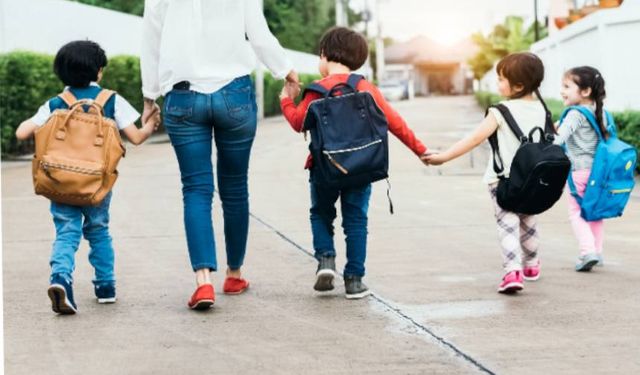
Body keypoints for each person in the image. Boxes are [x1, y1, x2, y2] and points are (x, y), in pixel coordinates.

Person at [141, 0, 299, 310]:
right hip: (234, 94)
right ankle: (234, 274)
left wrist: (150, 95)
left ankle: (203, 283)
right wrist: (286, 71)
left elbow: (151, 39)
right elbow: (258, 32)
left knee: (196, 190)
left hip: (183, 96)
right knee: (235, 188)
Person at [279, 27, 429, 299]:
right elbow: (395, 123)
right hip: (361, 167)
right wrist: (421, 150)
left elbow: (299, 122)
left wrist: (285, 100)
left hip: (324, 168)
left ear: (324, 55)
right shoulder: (365, 87)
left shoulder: (316, 90)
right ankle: (354, 280)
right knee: (356, 220)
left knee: (321, 214)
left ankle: (326, 260)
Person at [15, 40, 160, 314]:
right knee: (99, 231)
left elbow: (23, 132)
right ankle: (105, 287)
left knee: (65, 233)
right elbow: (137, 137)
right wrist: (150, 122)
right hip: (97, 184)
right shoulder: (111, 100)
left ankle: (60, 278)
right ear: (99, 72)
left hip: (60, 182)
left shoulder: (57, 103)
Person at [424, 53, 548, 294]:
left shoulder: (499, 111)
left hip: (503, 181)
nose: (497, 83)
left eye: (502, 79)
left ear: (519, 85)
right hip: (532, 179)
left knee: (507, 224)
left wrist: (443, 156)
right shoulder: (543, 110)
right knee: (529, 222)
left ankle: (513, 271)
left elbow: (474, 139)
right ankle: (531, 266)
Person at [554, 66, 608, 272]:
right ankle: (597, 251)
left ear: (585, 91)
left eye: (567, 86)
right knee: (595, 213)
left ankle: (587, 252)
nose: (562, 91)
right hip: (599, 173)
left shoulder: (575, 114)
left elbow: (559, 139)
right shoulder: (600, 112)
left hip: (579, 173)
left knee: (576, 213)